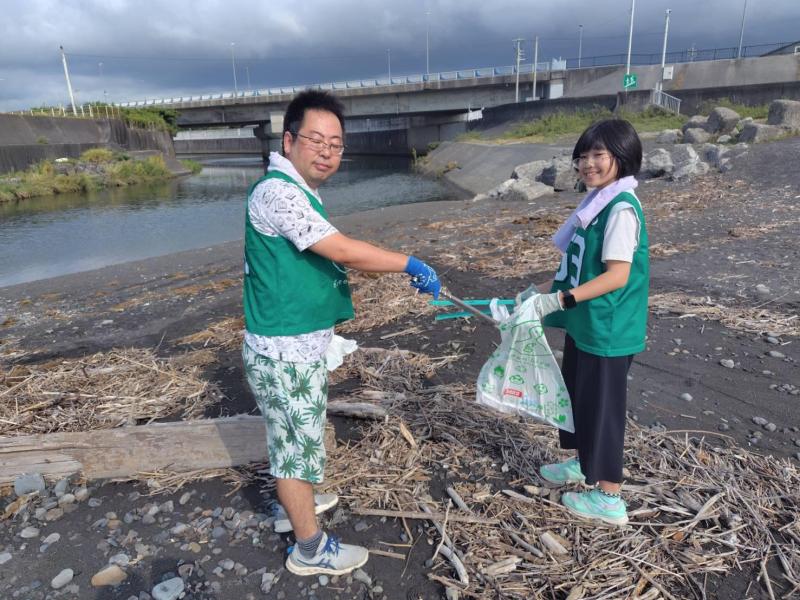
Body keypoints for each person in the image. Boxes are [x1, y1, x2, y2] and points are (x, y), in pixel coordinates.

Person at [242, 90, 440, 575]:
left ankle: (300, 501)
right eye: (316, 140)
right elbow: (345, 251)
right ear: (288, 141)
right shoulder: (278, 193)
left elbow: (334, 257)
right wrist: (408, 262)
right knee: (294, 452)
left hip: (296, 346)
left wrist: (391, 270)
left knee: (296, 440)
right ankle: (309, 548)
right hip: (284, 351)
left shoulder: (299, 190)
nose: (327, 151)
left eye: (336, 143)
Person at [525, 119, 648, 526]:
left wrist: (562, 299)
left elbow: (617, 275)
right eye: (583, 155)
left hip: (608, 328)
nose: (588, 164)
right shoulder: (594, 205)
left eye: (599, 155)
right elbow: (575, 269)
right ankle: (582, 464)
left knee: (604, 410)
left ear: (622, 158)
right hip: (585, 325)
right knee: (579, 397)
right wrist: (537, 291)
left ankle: (609, 496)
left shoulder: (621, 208)